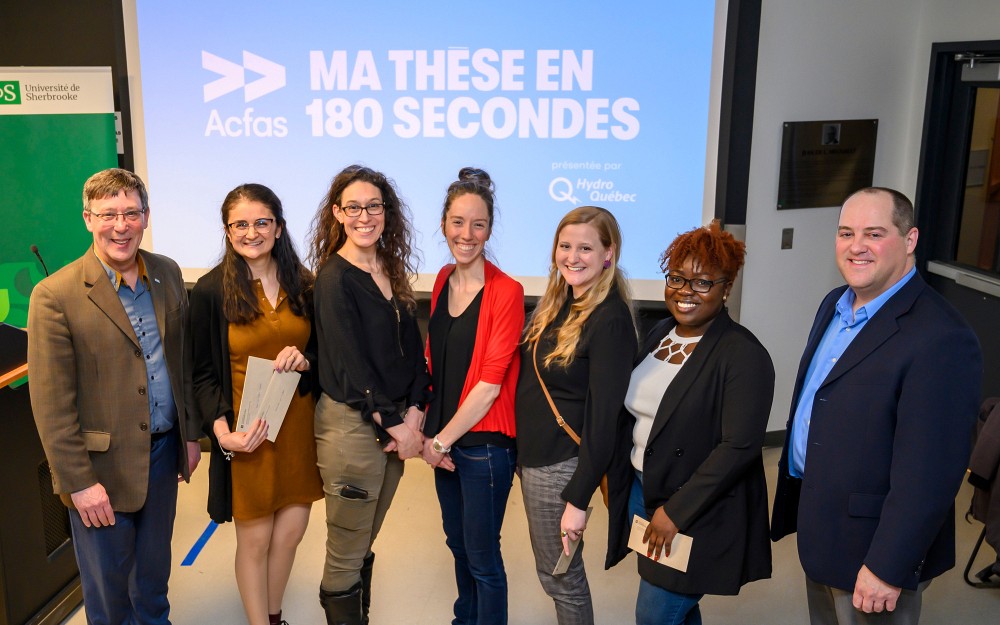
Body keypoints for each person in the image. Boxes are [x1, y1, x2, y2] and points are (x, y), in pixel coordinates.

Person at [770, 187, 983, 624]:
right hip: (824, 531)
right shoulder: (834, 304)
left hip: (874, 552)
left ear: (910, 240)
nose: (856, 246)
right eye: (846, 232)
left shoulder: (941, 337)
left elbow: (931, 475)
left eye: (874, 233)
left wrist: (888, 565)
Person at [27, 168, 201, 624]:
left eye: (131, 213)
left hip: (163, 458)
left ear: (146, 217)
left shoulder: (165, 272)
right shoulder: (55, 295)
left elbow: (178, 365)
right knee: (109, 597)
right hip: (99, 472)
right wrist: (79, 483)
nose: (120, 226)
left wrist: (190, 435)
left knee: (153, 586)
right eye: (108, 214)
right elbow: (51, 405)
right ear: (88, 219)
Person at [605, 220, 774, 625]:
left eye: (702, 283)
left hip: (695, 507)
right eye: (678, 278)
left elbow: (739, 448)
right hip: (645, 490)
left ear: (726, 288)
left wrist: (675, 512)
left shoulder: (743, 355)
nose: (685, 292)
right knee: (679, 608)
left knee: (656, 612)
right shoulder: (660, 333)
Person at [190, 183, 323, 625]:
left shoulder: (305, 285)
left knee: (289, 535)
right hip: (247, 435)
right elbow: (203, 373)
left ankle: (274, 614)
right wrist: (222, 432)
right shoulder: (211, 291)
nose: (252, 232)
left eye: (262, 222)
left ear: (280, 228)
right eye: (240, 224)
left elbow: (327, 357)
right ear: (228, 233)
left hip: (298, 429)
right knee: (256, 540)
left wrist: (306, 360)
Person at [308, 164, 431, 625]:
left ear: (386, 211)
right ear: (337, 213)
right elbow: (350, 365)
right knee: (346, 549)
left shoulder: (388, 266)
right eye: (353, 207)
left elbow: (411, 350)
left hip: (396, 423)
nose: (365, 216)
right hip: (352, 428)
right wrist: (398, 425)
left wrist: (417, 409)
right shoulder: (334, 279)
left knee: (363, 541)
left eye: (374, 206)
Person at [515, 205, 637, 624]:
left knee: (561, 580)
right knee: (556, 576)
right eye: (565, 246)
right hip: (536, 460)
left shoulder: (610, 318)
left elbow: (604, 420)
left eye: (586, 247)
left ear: (609, 253)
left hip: (561, 468)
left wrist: (578, 499)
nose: (572, 256)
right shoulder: (561, 302)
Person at [422, 168, 524, 625]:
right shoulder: (443, 279)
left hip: (483, 446)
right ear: (444, 223)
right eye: (458, 222)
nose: (467, 234)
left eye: (478, 224)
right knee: (458, 546)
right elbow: (434, 364)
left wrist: (439, 441)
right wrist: (430, 434)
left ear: (490, 228)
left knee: (483, 558)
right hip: (443, 442)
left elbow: (488, 386)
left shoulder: (507, 292)